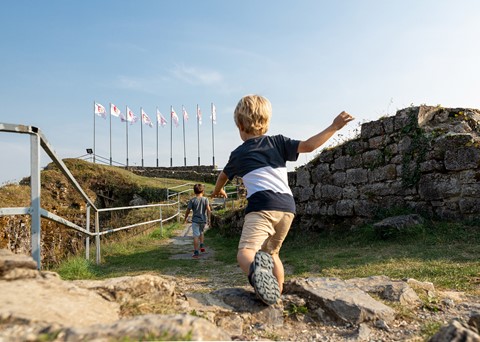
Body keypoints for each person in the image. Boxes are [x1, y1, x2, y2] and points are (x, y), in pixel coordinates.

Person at [211, 94, 354, 305]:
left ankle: (258, 273)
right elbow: (308, 146)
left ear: (240, 125)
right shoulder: (278, 142)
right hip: (287, 207)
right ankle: (275, 293)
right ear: (266, 123)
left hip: (262, 206)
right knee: (272, 253)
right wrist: (334, 126)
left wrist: (218, 191)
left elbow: (223, 176)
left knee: (246, 253)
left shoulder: (238, 154)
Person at [184, 183, 212, 258]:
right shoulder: (205, 199)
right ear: (203, 191)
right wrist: (209, 219)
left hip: (195, 220)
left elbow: (188, 210)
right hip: (203, 220)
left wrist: (185, 218)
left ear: (194, 191)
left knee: (196, 235)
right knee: (201, 232)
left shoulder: (192, 200)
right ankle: (202, 244)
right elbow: (208, 210)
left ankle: (196, 252)